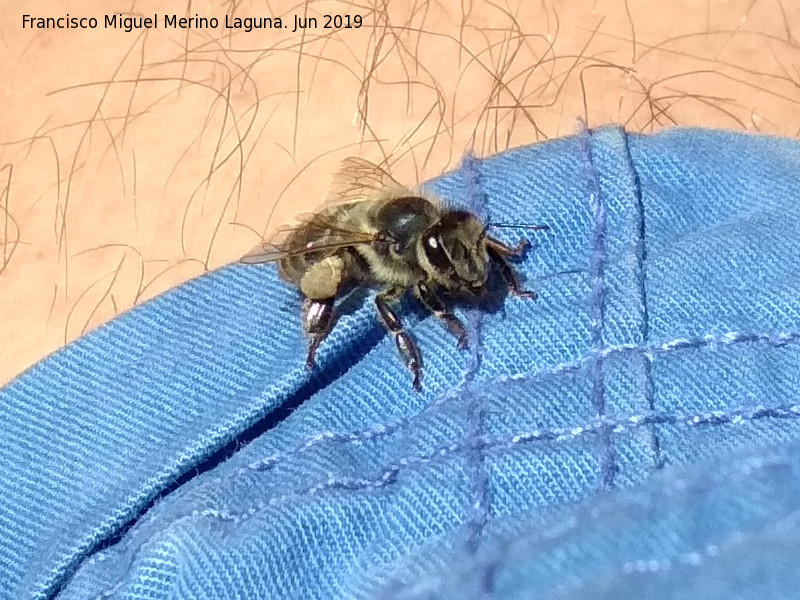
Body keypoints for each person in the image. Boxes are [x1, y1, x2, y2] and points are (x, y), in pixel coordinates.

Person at [2, 2, 800, 599]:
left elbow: (452, 233)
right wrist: (423, 326)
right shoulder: (388, 263)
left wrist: (503, 257)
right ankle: (315, 330)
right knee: (346, 288)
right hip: (333, 257)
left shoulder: (450, 223)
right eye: (445, 262)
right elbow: (390, 286)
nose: (461, 268)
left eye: (467, 245)